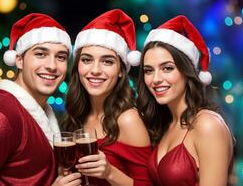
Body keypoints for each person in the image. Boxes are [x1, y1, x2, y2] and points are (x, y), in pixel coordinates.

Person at [0, 13, 81, 186]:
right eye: (41, 54)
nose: (52, 66)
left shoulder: (42, 111)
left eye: (61, 57)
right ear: (19, 60)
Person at [136, 15, 234, 186]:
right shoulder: (165, 123)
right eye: (148, 70)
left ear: (186, 71)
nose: (156, 79)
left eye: (167, 68)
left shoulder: (207, 125)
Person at [62, 9, 152, 186]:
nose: (95, 70)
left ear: (120, 71)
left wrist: (110, 173)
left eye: (107, 61)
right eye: (87, 60)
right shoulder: (78, 113)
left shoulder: (127, 119)